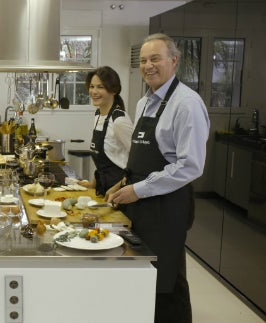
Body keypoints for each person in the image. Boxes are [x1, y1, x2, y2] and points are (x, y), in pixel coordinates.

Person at [107, 33, 210, 323]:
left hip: (167, 206)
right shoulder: (144, 103)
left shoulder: (186, 104)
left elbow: (190, 165)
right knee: (143, 273)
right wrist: (124, 181)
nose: (148, 66)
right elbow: (139, 155)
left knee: (166, 281)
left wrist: (139, 190)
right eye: (143, 60)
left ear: (173, 61)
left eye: (155, 58)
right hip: (141, 202)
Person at [77, 66, 133, 196]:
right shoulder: (98, 115)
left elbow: (137, 161)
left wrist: (117, 188)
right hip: (104, 190)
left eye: (100, 87)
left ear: (113, 90)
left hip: (121, 193)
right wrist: (93, 184)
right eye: (92, 86)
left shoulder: (119, 121)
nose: (94, 92)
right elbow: (104, 164)